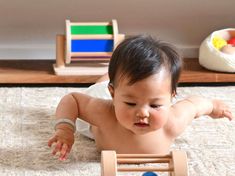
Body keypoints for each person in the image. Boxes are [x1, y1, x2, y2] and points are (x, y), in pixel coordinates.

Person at [48, 35, 233, 160]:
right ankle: (107, 80)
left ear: (171, 97)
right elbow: (72, 99)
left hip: (121, 90)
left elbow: (194, 106)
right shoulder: (103, 113)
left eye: (155, 105)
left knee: (126, 86)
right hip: (101, 103)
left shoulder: (173, 120)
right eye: (131, 103)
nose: (143, 113)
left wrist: (213, 106)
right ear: (113, 94)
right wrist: (65, 129)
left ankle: (115, 83)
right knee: (100, 86)